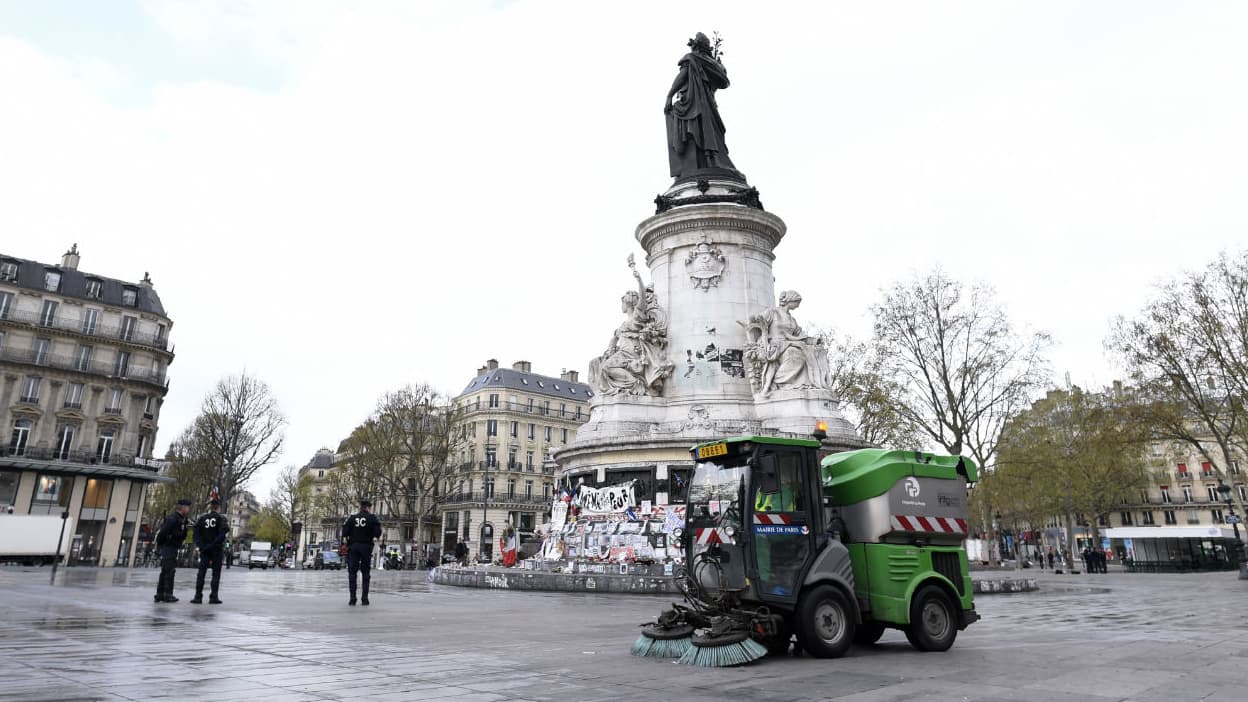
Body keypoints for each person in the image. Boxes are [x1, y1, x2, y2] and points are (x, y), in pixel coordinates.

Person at [664, 32, 740, 180]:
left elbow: (683, 76)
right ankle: (710, 161)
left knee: (698, 129)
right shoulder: (711, 64)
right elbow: (722, 81)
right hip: (707, 105)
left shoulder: (692, 59)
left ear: (695, 46)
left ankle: (704, 164)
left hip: (695, 103)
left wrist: (669, 95)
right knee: (709, 131)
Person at [342, 498, 382, 606]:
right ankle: (365, 598)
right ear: (368, 508)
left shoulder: (352, 518)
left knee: (352, 573)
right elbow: (378, 533)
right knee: (365, 573)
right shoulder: (372, 518)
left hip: (354, 547)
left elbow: (344, 532)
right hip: (366, 547)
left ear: (360, 508)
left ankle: (352, 598)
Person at [191, 498, 228, 604]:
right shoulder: (221, 519)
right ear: (218, 508)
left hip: (204, 550)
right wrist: (213, 544)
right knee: (216, 574)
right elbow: (222, 534)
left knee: (201, 573)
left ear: (210, 507)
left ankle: (198, 596)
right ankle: (213, 596)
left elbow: (196, 534)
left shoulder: (202, 519)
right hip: (216, 549)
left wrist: (202, 546)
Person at [154, 499, 191, 603]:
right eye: (187, 507)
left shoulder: (181, 519)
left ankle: (160, 594)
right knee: (169, 571)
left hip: (171, 547)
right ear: (183, 507)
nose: (188, 509)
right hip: (169, 547)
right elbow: (162, 533)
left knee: (165, 571)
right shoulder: (173, 519)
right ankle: (167, 594)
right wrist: (161, 546)